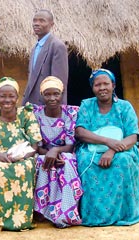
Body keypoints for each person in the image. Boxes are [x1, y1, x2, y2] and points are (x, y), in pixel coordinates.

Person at [75, 69, 139, 226]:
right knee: (85, 160)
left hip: (122, 149)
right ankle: (95, 215)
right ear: (92, 87)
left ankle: (124, 212)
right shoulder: (86, 105)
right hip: (93, 149)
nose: (102, 88)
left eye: (106, 84)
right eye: (98, 85)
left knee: (122, 161)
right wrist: (107, 142)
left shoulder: (124, 107)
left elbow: (133, 136)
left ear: (113, 85)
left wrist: (113, 150)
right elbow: (80, 132)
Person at [0, 77, 42, 233]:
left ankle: (21, 221)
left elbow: (35, 145)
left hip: (24, 156)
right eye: (3, 96)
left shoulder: (26, 114)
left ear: (17, 97)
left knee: (25, 167)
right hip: (0, 156)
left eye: (11, 96)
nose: (7, 100)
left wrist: (21, 156)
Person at [32, 76, 83, 228]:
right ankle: (42, 210)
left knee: (66, 161)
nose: (52, 98)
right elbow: (36, 144)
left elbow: (71, 144)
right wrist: (48, 153)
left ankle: (66, 212)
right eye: (48, 94)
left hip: (64, 152)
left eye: (56, 94)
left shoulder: (70, 113)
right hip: (42, 153)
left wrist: (56, 151)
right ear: (42, 95)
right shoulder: (35, 114)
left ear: (62, 94)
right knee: (43, 162)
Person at [22, 9, 68, 106]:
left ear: (51, 24)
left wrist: (55, 109)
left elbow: (58, 82)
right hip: (31, 104)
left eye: (42, 21)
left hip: (48, 106)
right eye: (35, 20)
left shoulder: (57, 46)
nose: (36, 24)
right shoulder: (35, 48)